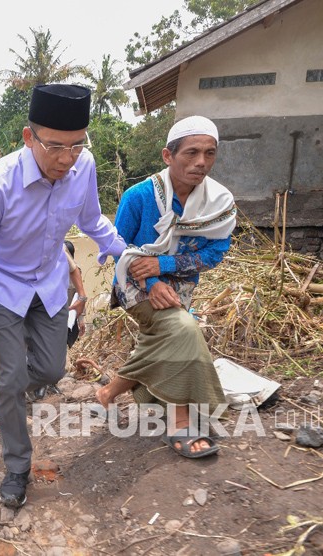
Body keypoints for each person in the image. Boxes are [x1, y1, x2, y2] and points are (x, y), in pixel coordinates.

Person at [0, 84, 126, 508]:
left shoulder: (82, 167)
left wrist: (126, 252)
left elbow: (91, 219)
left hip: (50, 284)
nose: (66, 160)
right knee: (12, 378)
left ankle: (8, 389)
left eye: (76, 146)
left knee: (52, 369)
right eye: (55, 147)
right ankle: (17, 465)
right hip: (3, 288)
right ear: (28, 137)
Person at [96, 115, 237, 459]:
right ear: (167, 156)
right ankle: (180, 419)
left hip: (180, 286)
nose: (201, 162)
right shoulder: (139, 197)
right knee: (184, 328)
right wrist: (152, 279)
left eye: (209, 153)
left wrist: (164, 264)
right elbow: (120, 248)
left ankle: (109, 392)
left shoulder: (217, 202)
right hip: (134, 284)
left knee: (164, 337)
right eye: (191, 153)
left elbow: (216, 252)